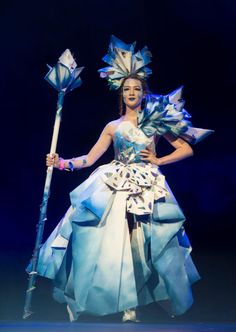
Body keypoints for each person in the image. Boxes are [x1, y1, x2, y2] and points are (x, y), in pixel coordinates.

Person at [35, 36, 213, 322]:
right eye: (127, 88)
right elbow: (90, 159)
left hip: (147, 186)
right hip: (114, 184)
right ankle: (95, 299)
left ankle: (135, 306)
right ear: (121, 93)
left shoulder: (154, 122)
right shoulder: (112, 126)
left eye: (137, 89)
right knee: (106, 243)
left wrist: (158, 160)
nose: (132, 92)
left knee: (142, 245)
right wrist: (62, 163)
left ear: (143, 93)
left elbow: (186, 148)